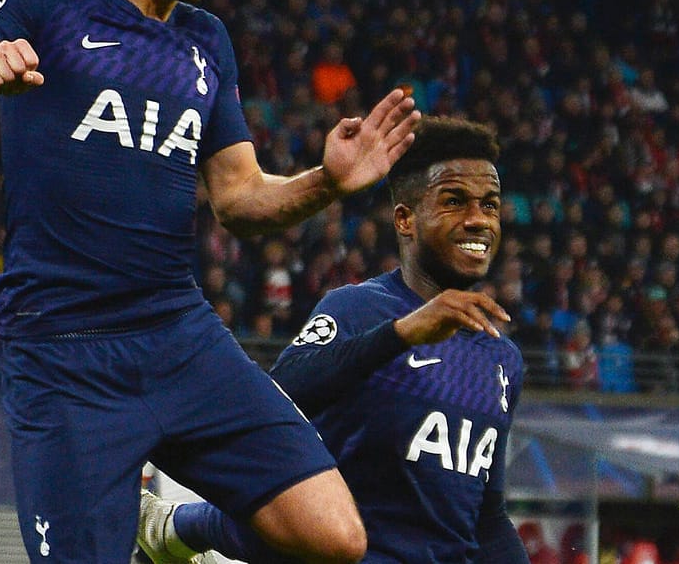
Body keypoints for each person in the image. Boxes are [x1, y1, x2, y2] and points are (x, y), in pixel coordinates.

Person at [0, 0, 421, 564]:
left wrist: (325, 181)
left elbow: (239, 199)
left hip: (177, 332)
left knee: (334, 537)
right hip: (62, 348)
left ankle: (170, 532)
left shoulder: (207, 42)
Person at [137, 116, 527, 564]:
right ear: (406, 219)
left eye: (490, 205)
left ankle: (180, 533)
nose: (479, 220)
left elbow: (487, 517)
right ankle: (178, 528)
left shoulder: (502, 359)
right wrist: (400, 335)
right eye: (455, 201)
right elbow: (280, 393)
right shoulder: (360, 309)